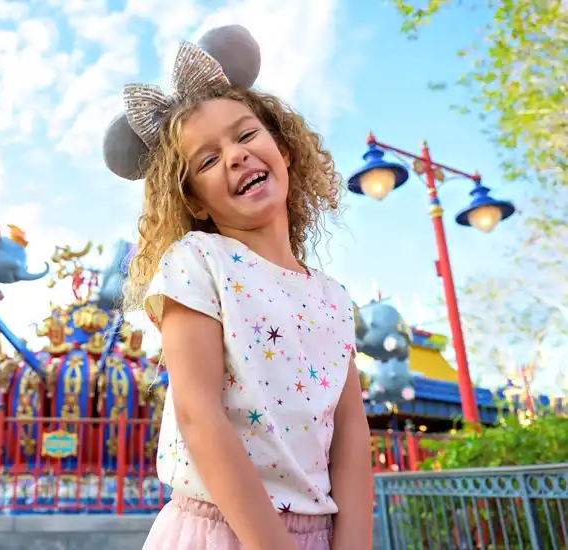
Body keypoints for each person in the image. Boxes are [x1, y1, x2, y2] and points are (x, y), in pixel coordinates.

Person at [102, 26, 373, 550]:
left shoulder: (334, 297)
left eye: (246, 135)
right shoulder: (198, 262)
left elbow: (350, 430)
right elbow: (198, 413)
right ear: (196, 202)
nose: (235, 155)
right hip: (222, 531)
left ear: (283, 149)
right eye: (206, 160)